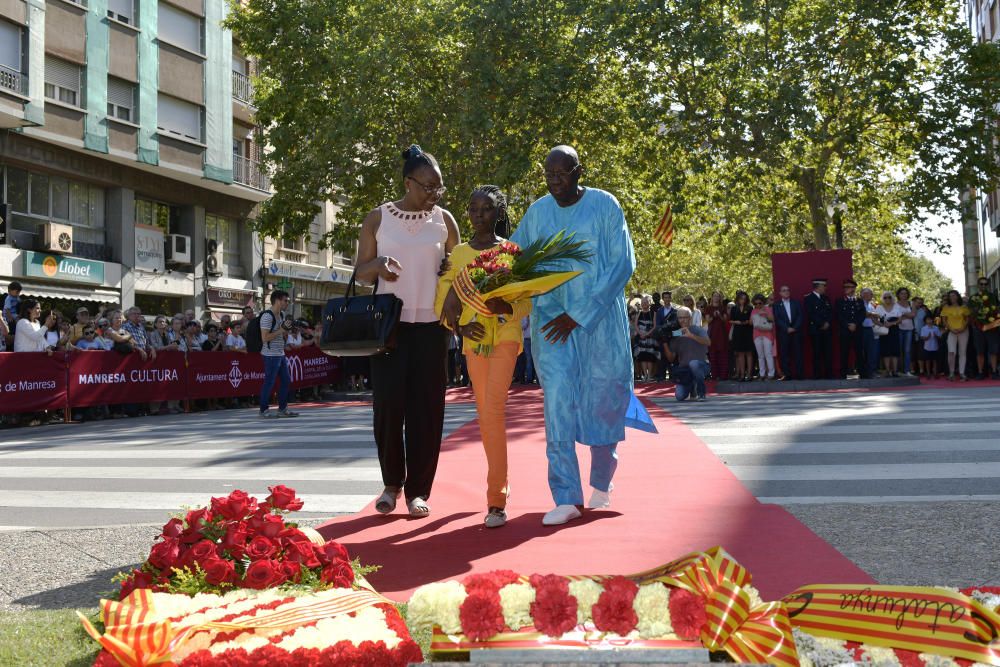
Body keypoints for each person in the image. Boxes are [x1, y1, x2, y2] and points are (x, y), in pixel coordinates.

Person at [504, 145, 635, 526]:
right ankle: (565, 495)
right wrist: (481, 270)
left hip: (600, 324)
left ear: (579, 171)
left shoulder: (605, 206)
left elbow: (622, 264)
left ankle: (601, 480)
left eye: (562, 173)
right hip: (551, 326)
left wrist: (579, 314)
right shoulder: (538, 211)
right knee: (557, 402)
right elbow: (513, 256)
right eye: (549, 175)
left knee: (602, 400)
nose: (554, 181)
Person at [356, 145, 460, 518]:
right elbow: (360, 272)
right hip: (389, 329)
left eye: (439, 188)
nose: (434, 194)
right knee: (387, 408)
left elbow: (458, 270)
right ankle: (390, 485)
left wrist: (452, 276)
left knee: (427, 411)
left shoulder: (445, 220)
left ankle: (418, 491)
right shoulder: (377, 218)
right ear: (408, 182)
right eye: (428, 187)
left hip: (433, 329)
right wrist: (378, 264)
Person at [437, 185, 531, 529]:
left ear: (498, 213)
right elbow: (444, 301)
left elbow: (525, 299)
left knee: (492, 409)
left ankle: (496, 500)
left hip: (505, 337)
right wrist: (460, 329)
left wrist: (505, 306)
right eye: (473, 208)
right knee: (486, 413)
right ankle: (497, 494)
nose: (479, 215)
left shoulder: (512, 252)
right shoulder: (458, 254)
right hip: (474, 341)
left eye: (487, 209)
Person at [258, 290, 301, 417]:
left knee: (286, 380)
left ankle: (282, 409)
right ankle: (263, 410)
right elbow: (264, 338)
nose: (287, 303)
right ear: (277, 300)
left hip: (280, 353)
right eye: (285, 300)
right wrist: (281, 330)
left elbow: (279, 334)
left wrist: (285, 332)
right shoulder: (267, 316)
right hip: (270, 355)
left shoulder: (281, 315)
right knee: (269, 382)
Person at [662, 306, 711, 400]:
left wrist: (691, 336)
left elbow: (708, 342)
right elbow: (671, 358)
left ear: (690, 318)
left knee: (694, 364)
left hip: (702, 365)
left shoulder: (698, 330)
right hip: (685, 370)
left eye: (685, 317)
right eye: (680, 317)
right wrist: (664, 342)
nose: (682, 320)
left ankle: (701, 393)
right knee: (679, 396)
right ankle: (692, 386)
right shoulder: (676, 334)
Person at [968, 277, 999, 380]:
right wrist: (976, 311)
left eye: (985, 284)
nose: (983, 286)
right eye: (981, 284)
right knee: (979, 351)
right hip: (978, 327)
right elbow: (970, 313)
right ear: (978, 285)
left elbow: (997, 311)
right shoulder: (973, 298)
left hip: (991, 327)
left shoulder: (993, 297)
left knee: (993, 351)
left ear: (988, 285)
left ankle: (994, 371)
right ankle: (981, 372)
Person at [836, 279, 866, 378]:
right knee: (844, 352)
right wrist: (848, 325)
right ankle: (843, 374)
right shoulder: (840, 301)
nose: (845, 289)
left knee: (859, 351)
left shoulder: (859, 301)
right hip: (845, 330)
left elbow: (862, 315)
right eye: (845, 287)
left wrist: (855, 324)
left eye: (848, 287)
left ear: (853, 288)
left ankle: (862, 373)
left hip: (857, 330)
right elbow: (839, 315)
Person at [804, 278, 833, 379]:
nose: (825, 288)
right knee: (817, 352)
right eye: (824, 286)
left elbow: (830, 312)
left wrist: (828, 322)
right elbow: (811, 314)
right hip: (816, 329)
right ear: (818, 286)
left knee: (828, 352)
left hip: (827, 330)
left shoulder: (826, 298)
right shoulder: (808, 298)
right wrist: (822, 324)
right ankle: (817, 375)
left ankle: (828, 374)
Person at [773, 285, 803, 380]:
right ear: (780, 293)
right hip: (784, 333)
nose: (786, 292)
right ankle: (787, 374)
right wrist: (786, 328)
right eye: (784, 290)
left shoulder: (796, 303)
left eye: (787, 290)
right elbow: (777, 319)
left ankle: (799, 375)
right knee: (784, 354)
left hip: (796, 332)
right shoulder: (776, 305)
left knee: (798, 353)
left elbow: (800, 316)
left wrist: (794, 327)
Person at [941, 290, 971, 381]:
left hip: (963, 331)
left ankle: (962, 373)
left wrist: (963, 328)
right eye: (950, 296)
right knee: (951, 352)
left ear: (957, 296)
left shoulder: (964, 307)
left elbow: (968, 319)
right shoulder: (946, 307)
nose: (952, 298)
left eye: (954, 296)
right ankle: (951, 373)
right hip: (951, 331)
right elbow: (944, 320)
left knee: (962, 352)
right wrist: (951, 329)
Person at [702, 291, 730, 380]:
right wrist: (714, 316)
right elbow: (708, 320)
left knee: (722, 355)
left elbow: (725, 320)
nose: (716, 298)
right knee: (713, 355)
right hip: (712, 334)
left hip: (722, 334)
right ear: (712, 297)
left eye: (718, 296)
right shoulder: (708, 308)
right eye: (715, 296)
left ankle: (723, 375)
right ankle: (714, 375)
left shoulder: (723, 307)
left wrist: (720, 316)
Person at [632, 295, 659, 382]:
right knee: (643, 357)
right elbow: (635, 325)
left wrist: (647, 334)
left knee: (650, 357)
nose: (644, 304)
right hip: (641, 337)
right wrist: (640, 333)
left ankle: (650, 375)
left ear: (649, 303)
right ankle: (645, 375)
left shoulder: (653, 313)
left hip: (650, 337)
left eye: (645, 302)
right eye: (642, 302)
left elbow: (654, 325)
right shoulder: (638, 313)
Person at [875, 291, 903, 377]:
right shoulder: (879, 307)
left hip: (894, 329)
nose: (887, 299)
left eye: (889, 297)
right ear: (882, 299)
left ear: (892, 298)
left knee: (895, 350)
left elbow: (900, 319)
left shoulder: (896, 306)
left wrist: (892, 323)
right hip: (884, 330)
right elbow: (875, 319)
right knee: (885, 351)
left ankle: (894, 371)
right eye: (885, 297)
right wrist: (882, 324)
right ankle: (887, 370)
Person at [728, 291, 754, 381]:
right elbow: (730, 320)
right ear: (738, 299)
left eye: (744, 298)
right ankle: (742, 375)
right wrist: (737, 322)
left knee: (749, 353)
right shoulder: (734, 308)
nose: (743, 300)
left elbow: (752, 320)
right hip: (738, 332)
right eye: (741, 298)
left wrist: (747, 322)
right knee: (740, 354)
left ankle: (749, 375)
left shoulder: (750, 308)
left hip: (748, 332)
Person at [750, 293, 776, 380]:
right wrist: (756, 316)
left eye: (760, 303)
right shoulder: (753, 311)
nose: (758, 305)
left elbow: (772, 319)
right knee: (760, 355)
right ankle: (762, 374)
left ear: (763, 302)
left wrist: (764, 313)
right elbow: (750, 323)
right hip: (757, 335)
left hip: (767, 334)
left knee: (768, 354)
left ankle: (771, 374)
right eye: (755, 303)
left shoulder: (768, 309)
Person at [896, 287, 916, 376]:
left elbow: (913, 315)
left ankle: (907, 370)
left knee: (907, 350)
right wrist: (907, 315)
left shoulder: (911, 303)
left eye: (905, 293)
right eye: (902, 293)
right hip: (899, 328)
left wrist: (903, 314)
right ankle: (898, 370)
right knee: (899, 349)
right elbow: (896, 317)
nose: (904, 295)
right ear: (898, 295)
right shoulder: (895, 304)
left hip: (909, 328)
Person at [860, 287, 879, 378]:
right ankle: (863, 372)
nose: (869, 295)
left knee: (871, 351)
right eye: (867, 294)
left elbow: (874, 319)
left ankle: (871, 372)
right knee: (863, 351)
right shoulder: (859, 303)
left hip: (870, 329)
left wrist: (883, 324)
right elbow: (865, 314)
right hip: (861, 330)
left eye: (870, 294)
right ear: (861, 294)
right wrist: (874, 315)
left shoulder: (871, 305)